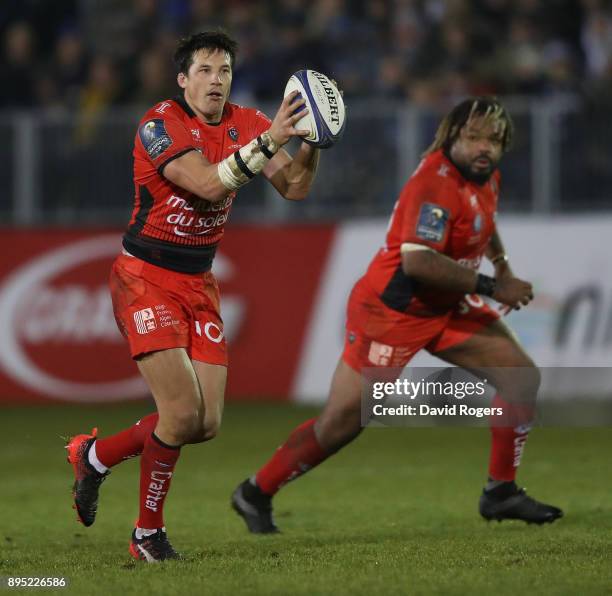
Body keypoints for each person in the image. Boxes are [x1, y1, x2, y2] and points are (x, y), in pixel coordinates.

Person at [231, 96, 563, 534]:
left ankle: (500, 492)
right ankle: (256, 491)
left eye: (495, 140)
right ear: (452, 136)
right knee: (341, 424)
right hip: (392, 313)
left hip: (446, 304)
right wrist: (492, 285)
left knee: (520, 377)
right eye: (475, 137)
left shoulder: (484, 173)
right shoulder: (434, 184)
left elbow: (485, 218)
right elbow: (418, 262)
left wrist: (500, 263)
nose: (486, 147)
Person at [66, 30, 321, 562]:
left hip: (199, 283)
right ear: (183, 80)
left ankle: (95, 457)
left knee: (204, 424)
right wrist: (273, 138)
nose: (216, 80)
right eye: (204, 70)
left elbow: (295, 187)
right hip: (145, 277)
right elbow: (207, 184)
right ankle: (146, 536)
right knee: (179, 414)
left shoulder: (247, 123)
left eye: (224, 70)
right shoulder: (160, 125)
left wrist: (314, 139)